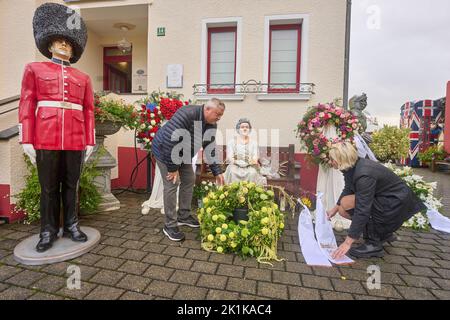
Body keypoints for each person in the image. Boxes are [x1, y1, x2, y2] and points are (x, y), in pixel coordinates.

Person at [18, 3, 95, 252]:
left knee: (72, 185)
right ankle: (47, 231)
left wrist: (90, 140)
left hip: (75, 138)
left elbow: (89, 110)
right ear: (50, 44)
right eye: (59, 40)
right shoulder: (34, 69)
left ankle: (72, 225)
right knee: (48, 188)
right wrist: (26, 138)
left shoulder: (83, 78)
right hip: (45, 137)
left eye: (68, 42)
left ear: (73, 49)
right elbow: (27, 104)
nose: (64, 44)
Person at [327, 142, 426, 259]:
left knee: (347, 203)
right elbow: (348, 188)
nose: (330, 162)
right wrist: (334, 209)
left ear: (341, 159)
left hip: (396, 203)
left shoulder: (364, 175)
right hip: (388, 199)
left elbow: (362, 209)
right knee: (342, 208)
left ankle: (373, 244)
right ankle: (383, 234)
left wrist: (347, 242)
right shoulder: (352, 166)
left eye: (332, 159)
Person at [152, 98, 225, 241]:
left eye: (221, 115)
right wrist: (173, 169)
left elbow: (210, 148)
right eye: (218, 114)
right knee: (172, 183)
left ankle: (183, 216)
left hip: (183, 153)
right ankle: (170, 225)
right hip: (164, 150)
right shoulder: (187, 113)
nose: (219, 118)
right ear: (208, 109)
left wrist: (217, 171)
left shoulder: (211, 125)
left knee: (189, 179)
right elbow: (169, 140)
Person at [224, 118, 266, 185]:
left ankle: (250, 193)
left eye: (247, 127)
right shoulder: (231, 142)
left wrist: (248, 163)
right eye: (242, 127)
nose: (245, 129)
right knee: (232, 172)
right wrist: (238, 162)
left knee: (252, 173)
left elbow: (256, 157)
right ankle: (233, 192)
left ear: (249, 130)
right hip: (235, 165)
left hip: (250, 166)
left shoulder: (254, 143)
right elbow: (230, 156)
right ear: (238, 129)